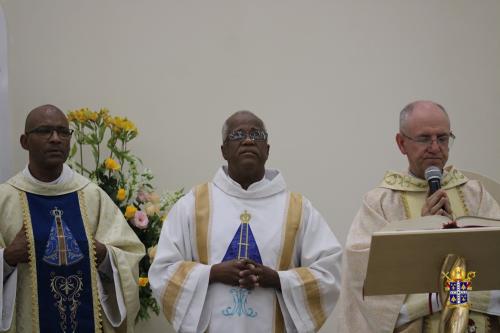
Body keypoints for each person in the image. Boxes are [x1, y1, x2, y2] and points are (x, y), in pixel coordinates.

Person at [149, 110, 342, 333]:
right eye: (238, 134)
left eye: (257, 134)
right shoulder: (193, 204)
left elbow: (329, 271)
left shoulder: (298, 208)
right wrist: (212, 273)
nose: (249, 140)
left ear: (267, 150)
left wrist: (277, 279)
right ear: (224, 150)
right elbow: (163, 270)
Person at [334, 101, 500, 332]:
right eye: (424, 139)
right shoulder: (381, 202)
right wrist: (419, 230)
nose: (435, 147)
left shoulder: (475, 194)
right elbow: (362, 274)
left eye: (442, 138)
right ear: (401, 143)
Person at [0, 105, 145, 333]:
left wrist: (106, 255)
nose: (56, 138)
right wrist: (6, 258)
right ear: (24, 141)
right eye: (45, 131)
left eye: (63, 132)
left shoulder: (92, 195)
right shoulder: (5, 199)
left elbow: (130, 252)